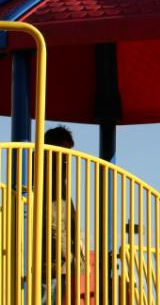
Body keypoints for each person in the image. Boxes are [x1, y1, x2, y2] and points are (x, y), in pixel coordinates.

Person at [42, 125, 85, 304]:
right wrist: (66, 253)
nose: (67, 159)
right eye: (64, 153)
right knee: (48, 296)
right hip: (54, 261)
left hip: (59, 258)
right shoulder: (48, 179)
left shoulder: (58, 181)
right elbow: (53, 220)